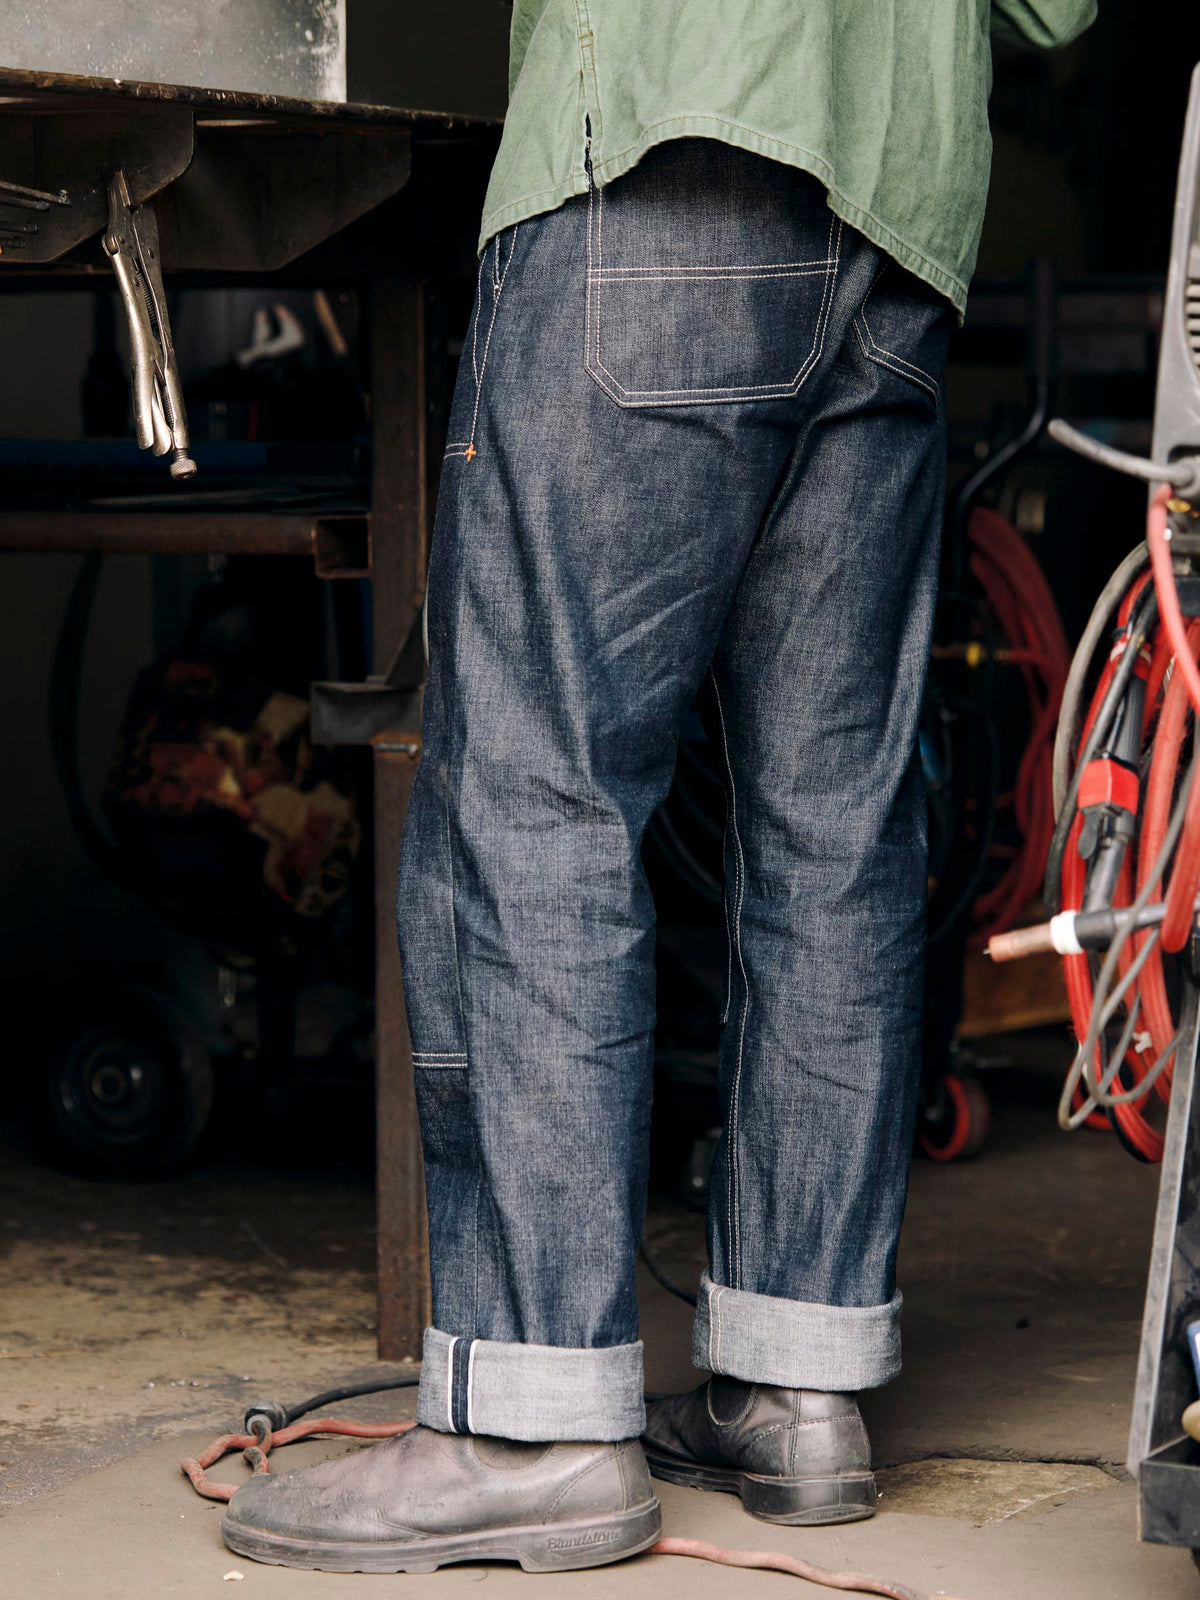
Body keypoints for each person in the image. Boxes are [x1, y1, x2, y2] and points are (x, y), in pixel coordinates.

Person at [223, 0, 1096, 1574]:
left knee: (539, 792)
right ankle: (798, 1381)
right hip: (895, 234)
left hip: (667, 165)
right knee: (834, 826)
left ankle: (533, 1422)